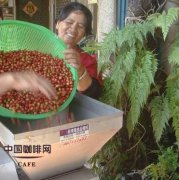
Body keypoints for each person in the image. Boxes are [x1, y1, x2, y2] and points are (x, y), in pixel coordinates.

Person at [56, 2, 102, 99]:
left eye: (80, 26)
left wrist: (80, 70)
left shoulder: (88, 61)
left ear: (84, 34)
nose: (73, 29)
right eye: (69, 22)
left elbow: (93, 95)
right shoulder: (39, 49)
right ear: (58, 24)